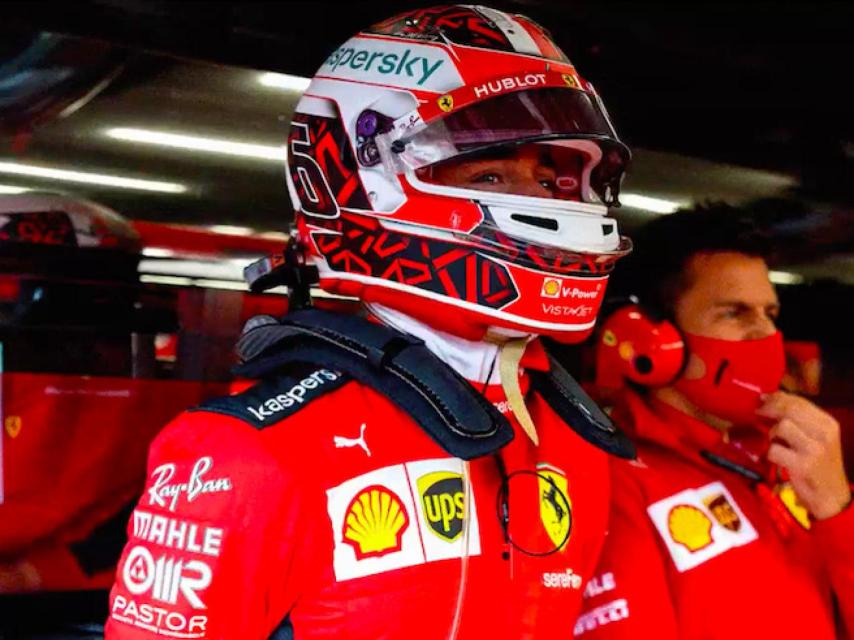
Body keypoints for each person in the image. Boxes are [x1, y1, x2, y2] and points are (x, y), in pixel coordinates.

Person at [105, 6, 637, 640]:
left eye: (552, 180)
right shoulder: (246, 452)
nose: (542, 202)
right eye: (490, 174)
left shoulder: (577, 439)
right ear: (359, 187)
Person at [577, 203, 853, 638]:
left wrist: (837, 511)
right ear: (652, 336)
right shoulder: (614, 481)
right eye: (734, 312)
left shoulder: (788, 454)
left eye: (770, 314)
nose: (765, 334)